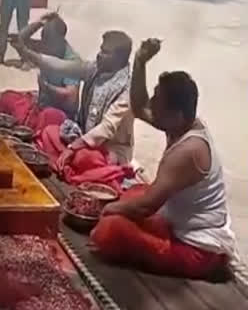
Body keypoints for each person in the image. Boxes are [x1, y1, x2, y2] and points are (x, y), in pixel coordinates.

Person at [91, 39, 237, 278]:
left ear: (177, 115)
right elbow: (139, 108)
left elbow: (147, 206)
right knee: (135, 191)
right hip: (179, 223)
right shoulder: (182, 123)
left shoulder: (188, 150)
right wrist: (140, 61)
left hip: (199, 249)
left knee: (111, 228)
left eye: (157, 102)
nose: (151, 107)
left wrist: (106, 210)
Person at [11, 30, 135, 186]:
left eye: (105, 52)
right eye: (100, 49)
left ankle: (78, 167)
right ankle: (70, 163)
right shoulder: (94, 70)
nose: (99, 55)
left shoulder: (127, 89)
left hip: (109, 150)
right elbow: (62, 66)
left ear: (119, 59)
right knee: (50, 130)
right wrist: (28, 53)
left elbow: (107, 128)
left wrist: (74, 147)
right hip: (80, 138)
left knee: (86, 158)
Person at [0, 11, 80, 131]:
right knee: (7, 97)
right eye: (44, 40)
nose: (46, 45)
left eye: (50, 41)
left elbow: (71, 96)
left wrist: (48, 88)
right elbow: (19, 40)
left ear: (61, 39)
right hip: (41, 106)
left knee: (48, 117)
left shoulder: (72, 62)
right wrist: (39, 22)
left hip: (60, 114)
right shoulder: (46, 47)